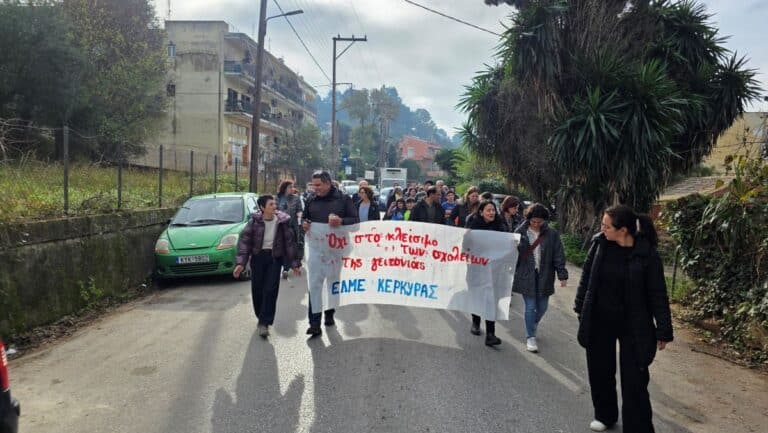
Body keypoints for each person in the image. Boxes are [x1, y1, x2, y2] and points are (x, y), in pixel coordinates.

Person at [574, 205, 673, 433]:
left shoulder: (646, 254)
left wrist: (663, 329)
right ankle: (604, 414)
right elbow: (587, 278)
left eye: (607, 226)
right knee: (600, 371)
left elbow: (658, 293)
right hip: (600, 319)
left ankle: (638, 428)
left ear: (623, 230)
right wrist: (580, 307)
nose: (602, 229)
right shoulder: (600, 244)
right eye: (602, 225)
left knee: (635, 379)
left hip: (634, 324)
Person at [234, 195, 301, 338]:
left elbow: (290, 244)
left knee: (270, 290)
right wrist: (240, 263)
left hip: (274, 259)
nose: (274, 206)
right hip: (258, 258)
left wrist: (294, 264)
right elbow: (244, 242)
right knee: (258, 289)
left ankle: (264, 322)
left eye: (275, 204)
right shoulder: (254, 222)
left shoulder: (282, 222)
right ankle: (261, 316)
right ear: (262, 207)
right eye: (271, 204)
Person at [302, 170, 359, 336]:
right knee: (314, 285)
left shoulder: (343, 199)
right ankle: (314, 323)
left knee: (332, 284)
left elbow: (356, 223)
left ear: (328, 183)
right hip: (315, 250)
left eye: (318, 185)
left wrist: (341, 221)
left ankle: (329, 313)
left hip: (336, 252)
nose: (315, 188)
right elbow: (305, 219)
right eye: (313, 185)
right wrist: (304, 224)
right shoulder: (310, 199)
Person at [512, 203, 568, 353]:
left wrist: (562, 274)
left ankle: (533, 323)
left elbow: (558, 254)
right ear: (528, 218)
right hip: (526, 274)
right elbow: (513, 255)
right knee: (530, 307)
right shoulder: (520, 232)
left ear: (544, 220)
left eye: (540, 221)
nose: (536, 224)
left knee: (542, 307)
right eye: (533, 221)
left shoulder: (552, 234)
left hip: (545, 275)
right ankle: (530, 336)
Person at [465, 200, 509, 346]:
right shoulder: (474, 226)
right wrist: (467, 237)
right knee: (477, 296)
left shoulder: (501, 226)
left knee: (492, 300)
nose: (491, 213)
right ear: (481, 212)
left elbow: (507, 245)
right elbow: (465, 248)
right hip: (476, 269)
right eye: (488, 210)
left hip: (494, 270)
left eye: (493, 210)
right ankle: (476, 323)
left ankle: (490, 334)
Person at [276, 179, 303, 279]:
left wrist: (300, 215)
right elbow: (275, 210)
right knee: (282, 247)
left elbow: (299, 210)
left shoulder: (296, 198)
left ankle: (286, 268)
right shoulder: (278, 198)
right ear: (284, 188)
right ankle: (284, 267)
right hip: (281, 227)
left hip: (293, 227)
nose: (292, 189)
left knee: (291, 247)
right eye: (290, 187)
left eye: (293, 187)